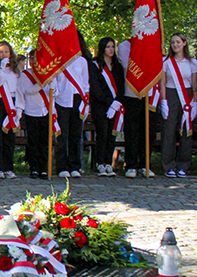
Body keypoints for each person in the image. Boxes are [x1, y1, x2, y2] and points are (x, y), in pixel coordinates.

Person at [160, 33, 197, 178]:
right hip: (170, 94)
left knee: (185, 131)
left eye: (178, 42)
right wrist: (164, 101)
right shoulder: (166, 61)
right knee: (169, 131)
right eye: (173, 43)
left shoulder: (192, 62)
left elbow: (194, 84)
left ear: (184, 43)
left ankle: (184, 165)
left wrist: (195, 103)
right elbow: (162, 83)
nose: (175, 45)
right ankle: (168, 165)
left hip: (187, 97)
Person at [55, 32, 91, 178]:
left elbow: (85, 82)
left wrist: (86, 102)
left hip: (77, 99)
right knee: (62, 135)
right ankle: (62, 166)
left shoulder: (82, 61)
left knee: (76, 134)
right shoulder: (58, 60)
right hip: (61, 99)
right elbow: (55, 81)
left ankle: (75, 166)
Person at [117, 39, 154, 178]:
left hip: (150, 95)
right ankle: (131, 164)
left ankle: (145, 164)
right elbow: (128, 66)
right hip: (131, 93)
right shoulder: (125, 46)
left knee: (148, 131)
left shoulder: (153, 43)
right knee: (132, 130)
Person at [90, 37, 125, 177]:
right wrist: (108, 102)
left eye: (112, 46)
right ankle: (100, 163)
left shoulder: (118, 66)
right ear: (102, 48)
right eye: (108, 46)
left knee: (112, 134)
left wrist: (116, 102)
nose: (111, 49)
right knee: (102, 133)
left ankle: (109, 163)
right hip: (101, 105)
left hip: (116, 106)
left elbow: (121, 86)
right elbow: (95, 88)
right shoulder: (95, 65)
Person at [19, 50, 55, 180]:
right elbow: (30, 90)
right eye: (32, 58)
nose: (34, 61)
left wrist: (51, 82)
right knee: (33, 141)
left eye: (36, 58)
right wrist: (43, 82)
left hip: (45, 111)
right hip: (31, 112)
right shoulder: (25, 74)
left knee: (44, 142)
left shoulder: (48, 74)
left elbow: (53, 91)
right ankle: (33, 168)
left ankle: (44, 168)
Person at [0, 41, 21, 179]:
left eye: (6, 52)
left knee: (9, 138)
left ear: (10, 53)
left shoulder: (16, 71)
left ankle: (8, 167)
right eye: (1, 52)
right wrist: (2, 68)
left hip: (11, 104)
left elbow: (19, 90)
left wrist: (18, 108)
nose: (4, 54)